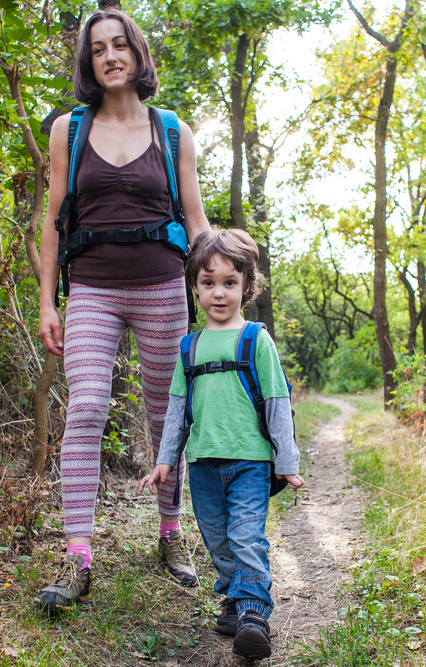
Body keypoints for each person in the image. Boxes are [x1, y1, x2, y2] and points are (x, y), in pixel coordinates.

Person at [36, 8, 212, 613]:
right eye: (97, 49)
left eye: (119, 45)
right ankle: (78, 555)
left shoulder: (171, 131)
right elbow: (54, 223)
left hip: (163, 286)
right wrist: (47, 301)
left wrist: (217, 290)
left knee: (166, 415)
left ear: (137, 54)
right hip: (91, 289)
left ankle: (170, 532)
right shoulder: (69, 130)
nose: (109, 56)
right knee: (85, 407)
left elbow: (196, 221)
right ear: (87, 62)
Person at [139, 228, 305, 660]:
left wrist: (286, 460)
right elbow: (177, 410)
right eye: (208, 283)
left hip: (250, 462)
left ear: (246, 288)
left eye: (229, 283)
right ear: (194, 287)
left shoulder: (256, 339)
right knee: (218, 540)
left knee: (246, 536)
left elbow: (276, 401)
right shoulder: (188, 347)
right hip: (202, 466)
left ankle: (253, 613)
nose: (218, 293)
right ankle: (235, 597)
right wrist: (165, 461)